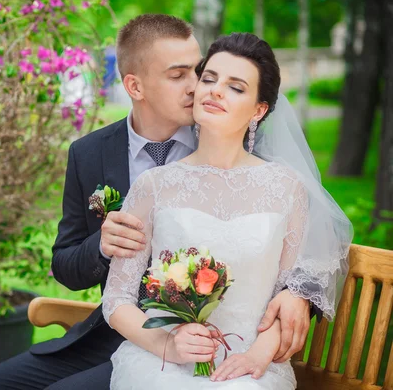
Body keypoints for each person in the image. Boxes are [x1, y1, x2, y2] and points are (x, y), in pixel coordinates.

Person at [0, 16, 320, 390]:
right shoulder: (90, 154)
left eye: (197, 71)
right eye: (179, 75)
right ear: (135, 85)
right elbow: (66, 265)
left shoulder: (242, 140)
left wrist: (300, 295)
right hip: (111, 335)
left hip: (221, 348)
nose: (199, 87)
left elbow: (307, 244)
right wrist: (101, 245)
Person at [102, 32, 352, 389]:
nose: (215, 90)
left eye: (236, 87)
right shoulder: (153, 186)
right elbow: (116, 300)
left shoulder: (286, 188)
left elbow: (289, 294)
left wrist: (259, 354)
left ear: (258, 110)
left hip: (250, 361)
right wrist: (168, 345)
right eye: (209, 79)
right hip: (160, 363)